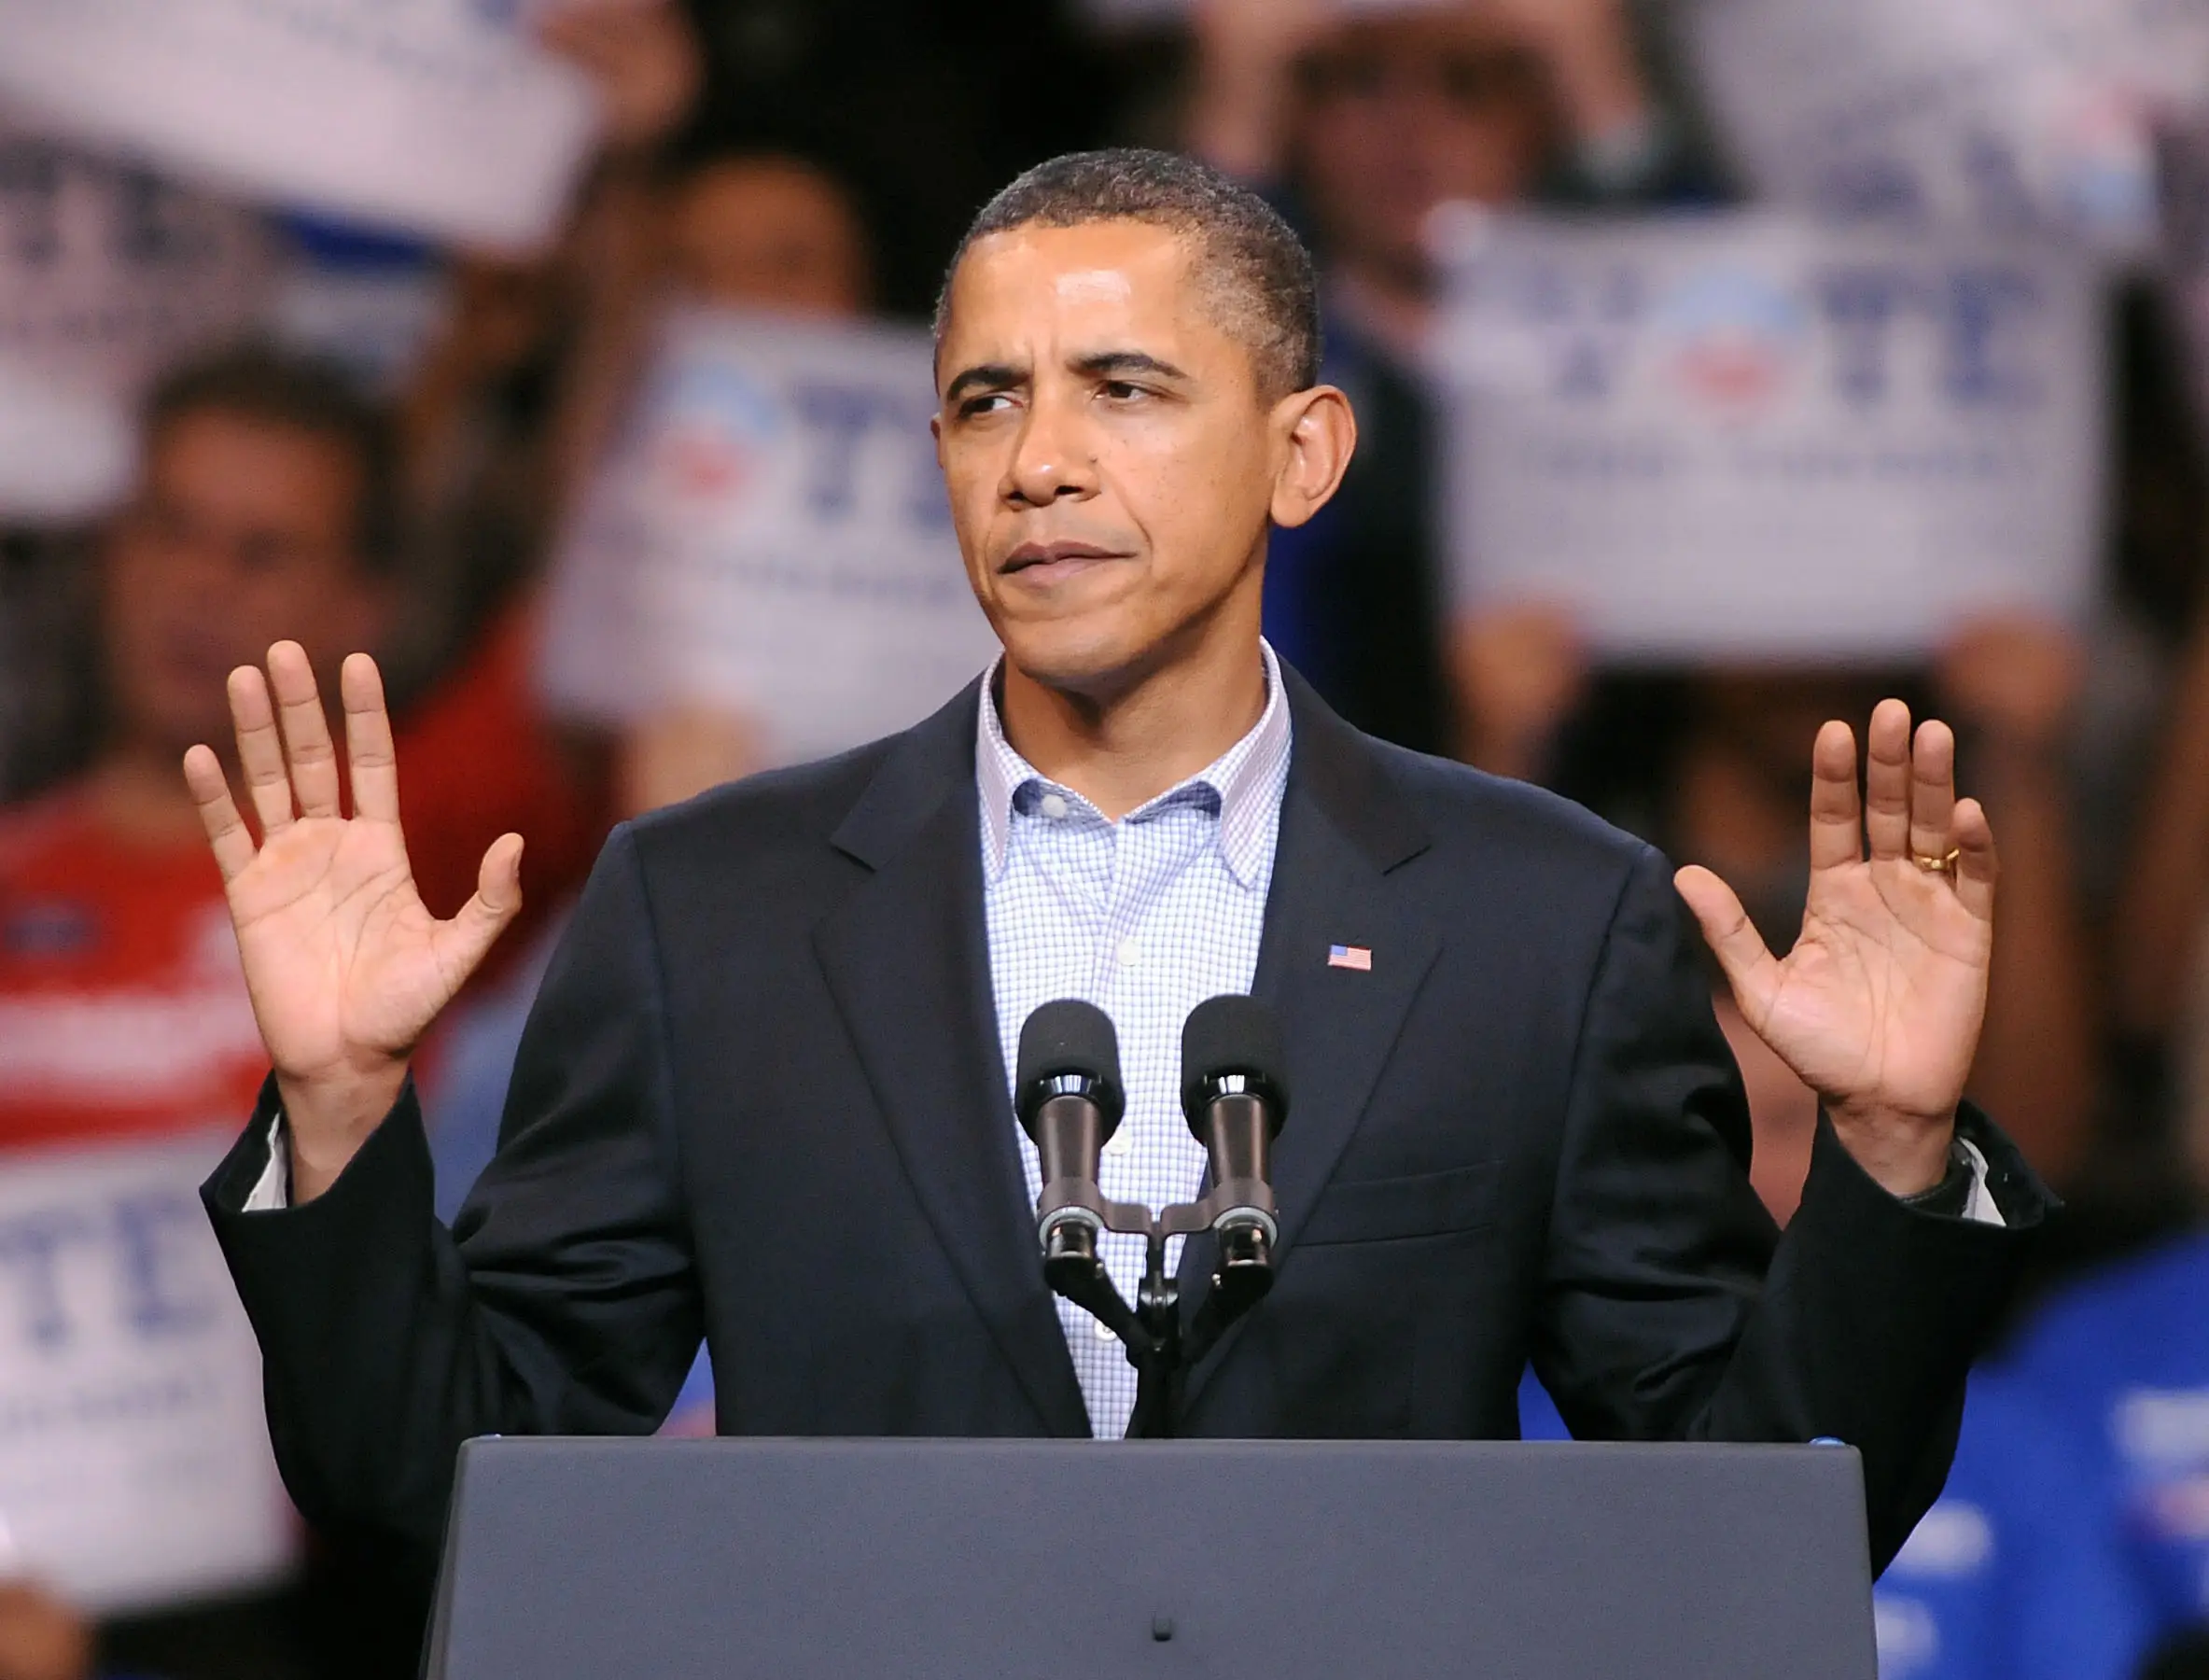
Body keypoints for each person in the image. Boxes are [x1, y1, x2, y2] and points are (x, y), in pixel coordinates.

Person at [193, 151, 2045, 1577]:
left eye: (1125, 388)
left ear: (1300, 452)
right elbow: (450, 1491)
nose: (1040, 464)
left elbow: (1748, 1521)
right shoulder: (711, 913)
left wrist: (1885, 1165)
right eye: (986, 402)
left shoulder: (1540, 920)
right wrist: (342, 1112)